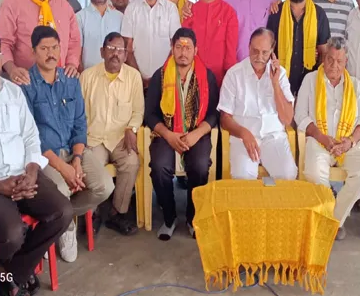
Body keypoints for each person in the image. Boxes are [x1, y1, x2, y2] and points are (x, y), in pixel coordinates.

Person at [0, 29, 72, 296]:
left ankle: (12, 274)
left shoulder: (13, 92)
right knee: (12, 233)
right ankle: (18, 275)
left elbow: (30, 136)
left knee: (62, 211)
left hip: (23, 175)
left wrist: (32, 171)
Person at [22, 26, 113, 263]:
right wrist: (64, 168)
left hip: (74, 151)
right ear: (33, 52)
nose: (50, 53)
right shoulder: (26, 85)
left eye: (54, 47)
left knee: (105, 186)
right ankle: (67, 227)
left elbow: (80, 123)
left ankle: (62, 221)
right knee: (60, 191)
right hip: (45, 157)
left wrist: (77, 160)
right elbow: (31, 136)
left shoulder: (70, 80)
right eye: (44, 49)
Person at [295, 37, 360, 240]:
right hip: (319, 141)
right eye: (330, 59)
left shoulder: (354, 84)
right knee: (314, 172)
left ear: (346, 61)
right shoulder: (310, 80)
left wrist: (350, 141)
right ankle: (329, 220)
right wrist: (322, 137)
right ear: (323, 58)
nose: (334, 65)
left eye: (339, 61)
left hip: (348, 143)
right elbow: (300, 116)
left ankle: (333, 220)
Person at [145, 28, 219, 240]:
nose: (183, 52)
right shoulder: (160, 76)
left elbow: (214, 113)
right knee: (159, 166)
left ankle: (192, 218)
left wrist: (196, 134)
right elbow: (150, 114)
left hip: (197, 133)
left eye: (188, 48)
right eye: (178, 47)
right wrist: (168, 135)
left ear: (196, 50)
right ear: (172, 48)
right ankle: (169, 218)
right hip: (167, 133)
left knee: (200, 166)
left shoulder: (206, 76)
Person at [80, 32, 143, 236]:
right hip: (94, 139)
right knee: (91, 166)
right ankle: (93, 214)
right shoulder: (87, 77)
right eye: (111, 49)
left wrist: (132, 129)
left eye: (120, 50)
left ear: (125, 55)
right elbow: (78, 114)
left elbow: (138, 111)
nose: (115, 54)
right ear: (102, 52)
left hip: (120, 138)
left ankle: (117, 213)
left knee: (131, 162)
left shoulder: (133, 77)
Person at [218, 28, 297, 180]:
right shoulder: (234, 74)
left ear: (272, 51)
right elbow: (224, 118)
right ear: (248, 47)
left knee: (288, 175)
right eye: (255, 51)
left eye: (265, 53)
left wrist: (275, 84)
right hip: (243, 138)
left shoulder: (280, 74)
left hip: (273, 137)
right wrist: (243, 133)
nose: (259, 57)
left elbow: (287, 119)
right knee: (243, 177)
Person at [0, 0, 81, 85]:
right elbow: (4, 42)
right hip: (26, 81)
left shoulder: (64, 7)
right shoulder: (11, 5)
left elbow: (74, 41)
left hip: (60, 80)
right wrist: (11, 69)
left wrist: (72, 63)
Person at [266, 0, 331, 95]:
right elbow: (269, 48)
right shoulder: (276, 13)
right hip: (280, 79)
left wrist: (319, 79)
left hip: (309, 80)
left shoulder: (319, 14)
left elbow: (324, 51)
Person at [121, 0, 181, 88]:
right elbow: (128, 48)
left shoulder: (170, 9)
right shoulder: (131, 9)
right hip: (136, 81)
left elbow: (175, 46)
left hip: (165, 80)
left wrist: (161, 76)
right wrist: (138, 77)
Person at [182, 0, 239, 86]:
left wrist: (230, 79)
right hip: (193, 76)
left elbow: (230, 50)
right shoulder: (191, 11)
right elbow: (185, 44)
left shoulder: (229, 12)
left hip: (220, 78)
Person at [77, 0, 123, 70]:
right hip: (89, 75)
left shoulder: (119, 17)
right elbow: (77, 52)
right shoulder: (80, 17)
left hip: (115, 75)